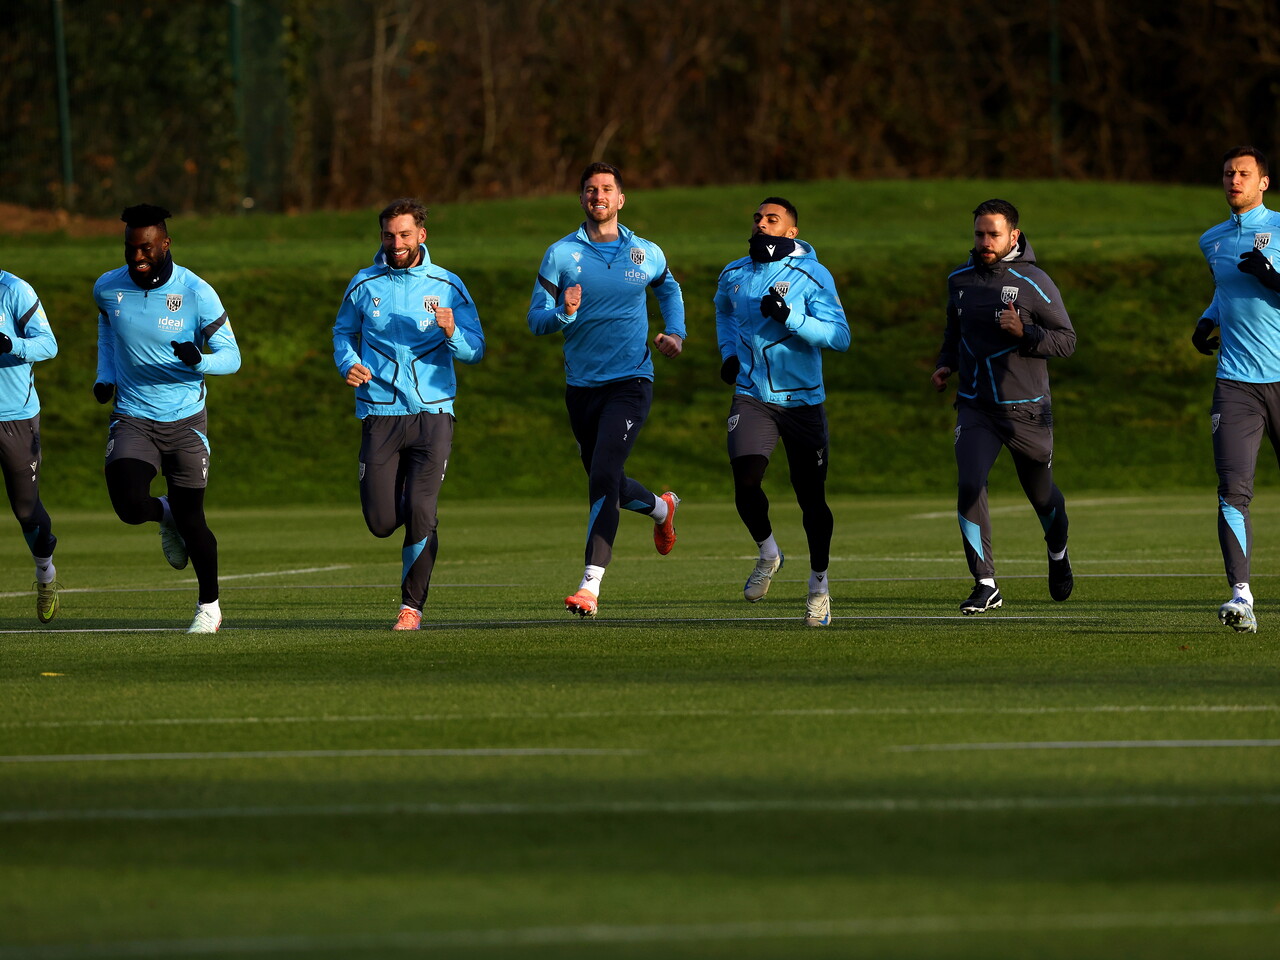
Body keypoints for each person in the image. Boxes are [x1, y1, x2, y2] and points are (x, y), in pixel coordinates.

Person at [527, 161, 685, 617]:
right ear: (582, 199)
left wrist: (675, 333)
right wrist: (563, 313)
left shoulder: (646, 252)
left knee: (602, 475)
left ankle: (590, 586)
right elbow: (535, 320)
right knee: (606, 481)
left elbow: (669, 290)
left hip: (632, 382)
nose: (599, 196)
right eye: (591, 190)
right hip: (581, 388)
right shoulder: (560, 255)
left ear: (621, 200)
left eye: (607, 189)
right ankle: (660, 508)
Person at [333, 198, 485, 631]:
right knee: (381, 522)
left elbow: (477, 349)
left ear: (422, 235)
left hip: (433, 414)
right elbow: (343, 332)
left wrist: (452, 331)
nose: (396, 243)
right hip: (379, 413)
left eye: (404, 234)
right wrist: (348, 364)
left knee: (421, 510)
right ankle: (420, 513)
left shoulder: (448, 284)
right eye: (388, 235)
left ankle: (410, 608)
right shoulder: (363, 284)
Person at [92, 204, 241, 634]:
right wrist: (105, 375)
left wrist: (200, 362)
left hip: (185, 422)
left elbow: (233, 357)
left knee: (194, 519)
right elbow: (107, 328)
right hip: (133, 416)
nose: (137, 257)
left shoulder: (195, 291)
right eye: (130, 248)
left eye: (146, 248)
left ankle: (209, 608)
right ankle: (165, 515)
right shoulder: (107, 288)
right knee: (128, 504)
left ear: (166, 244)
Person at [932, 199, 1076, 614]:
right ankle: (985, 582)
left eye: (993, 234)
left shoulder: (1035, 281)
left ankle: (1058, 551)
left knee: (1042, 496)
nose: (985, 242)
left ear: (1014, 235)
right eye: (979, 234)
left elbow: (1067, 341)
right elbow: (953, 331)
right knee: (970, 483)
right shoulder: (959, 280)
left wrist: (1025, 331)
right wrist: (946, 364)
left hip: (1028, 411)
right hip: (976, 407)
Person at [714, 198, 850, 627]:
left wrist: (790, 316)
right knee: (746, 480)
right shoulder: (734, 273)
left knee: (811, 499)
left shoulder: (813, 274)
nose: (760, 223)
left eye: (771, 219)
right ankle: (769, 553)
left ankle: (819, 587)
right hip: (751, 395)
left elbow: (840, 336)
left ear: (790, 232)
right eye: (757, 217)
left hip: (802, 401)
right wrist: (729, 352)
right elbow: (723, 312)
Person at [1192, 145, 1280, 634]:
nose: (1234, 180)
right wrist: (1207, 320)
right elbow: (1224, 290)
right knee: (1232, 492)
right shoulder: (1213, 240)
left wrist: (1274, 278)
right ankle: (1241, 598)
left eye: (1244, 174)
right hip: (1236, 384)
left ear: (1263, 182)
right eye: (1228, 173)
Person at [0, 270, 60, 622]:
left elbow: (48, 344)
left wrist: (11, 344)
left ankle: (45, 573)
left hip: (15, 418)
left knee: (26, 511)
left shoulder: (14, 290)